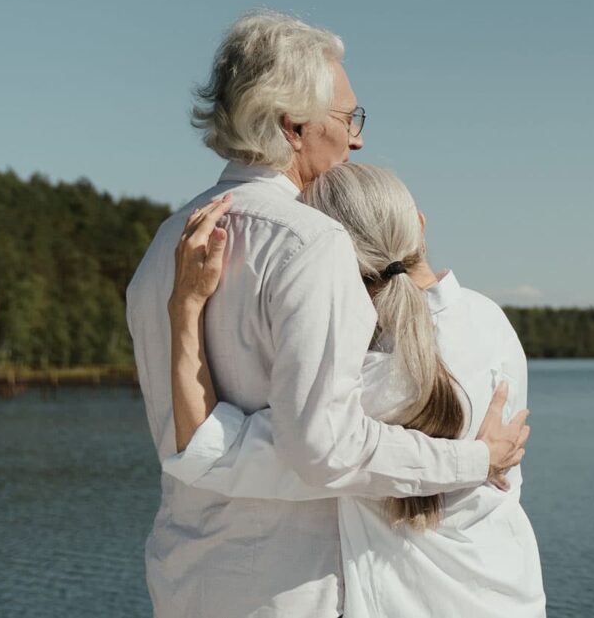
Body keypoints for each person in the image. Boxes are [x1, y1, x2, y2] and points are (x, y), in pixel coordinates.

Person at [125, 10, 530, 618]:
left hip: (188, 580)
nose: (357, 138)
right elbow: (325, 448)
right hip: (292, 589)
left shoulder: (164, 246)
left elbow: (186, 440)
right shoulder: (313, 243)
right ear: (292, 127)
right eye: (347, 118)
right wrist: (475, 459)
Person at [170, 163, 545, 617]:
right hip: (512, 596)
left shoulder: (370, 383)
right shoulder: (492, 322)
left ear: (332, 266)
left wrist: (185, 307)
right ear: (420, 226)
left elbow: (212, 451)